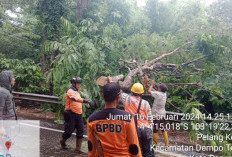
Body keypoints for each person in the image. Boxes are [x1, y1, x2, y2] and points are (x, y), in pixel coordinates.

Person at [87, 82, 142, 157]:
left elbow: (91, 146)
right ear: (118, 97)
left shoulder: (92, 120)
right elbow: (134, 146)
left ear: (103, 96)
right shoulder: (127, 118)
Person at [60, 76, 95, 155]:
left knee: (81, 131)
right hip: (71, 114)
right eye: (78, 83)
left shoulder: (77, 91)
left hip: (78, 114)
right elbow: (75, 99)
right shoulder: (70, 91)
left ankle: (78, 149)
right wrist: (87, 101)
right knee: (69, 131)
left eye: (80, 84)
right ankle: (62, 141)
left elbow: (78, 101)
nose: (79, 85)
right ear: (73, 84)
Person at [120, 82, 154, 157]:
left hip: (135, 129)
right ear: (142, 93)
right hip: (146, 129)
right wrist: (150, 130)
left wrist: (110, 81)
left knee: (137, 151)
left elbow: (119, 92)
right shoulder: (146, 103)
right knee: (148, 152)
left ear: (132, 92)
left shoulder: (127, 99)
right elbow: (150, 119)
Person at [148, 80, 169, 147]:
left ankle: (154, 144)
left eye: (158, 87)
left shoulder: (158, 94)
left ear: (160, 89)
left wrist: (151, 85)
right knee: (163, 128)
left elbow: (149, 91)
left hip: (157, 114)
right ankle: (167, 144)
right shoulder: (164, 94)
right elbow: (155, 92)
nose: (158, 88)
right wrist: (151, 87)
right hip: (163, 114)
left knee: (155, 129)